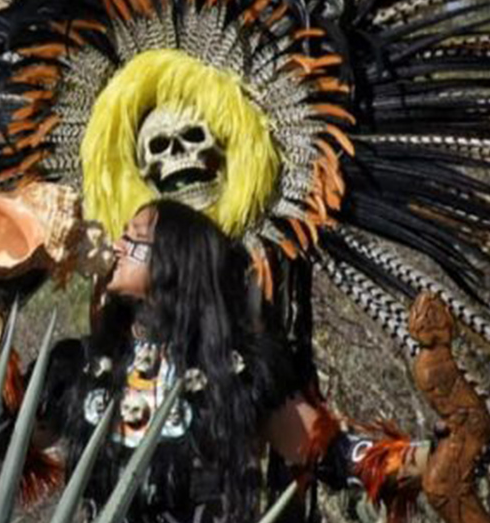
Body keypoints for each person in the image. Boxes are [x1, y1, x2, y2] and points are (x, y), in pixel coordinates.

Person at [28, 199, 427, 523]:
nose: (116, 246)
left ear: (175, 261)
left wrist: (426, 460)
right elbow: (6, 437)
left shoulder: (238, 373)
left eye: (132, 238)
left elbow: (326, 450)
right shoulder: (80, 365)